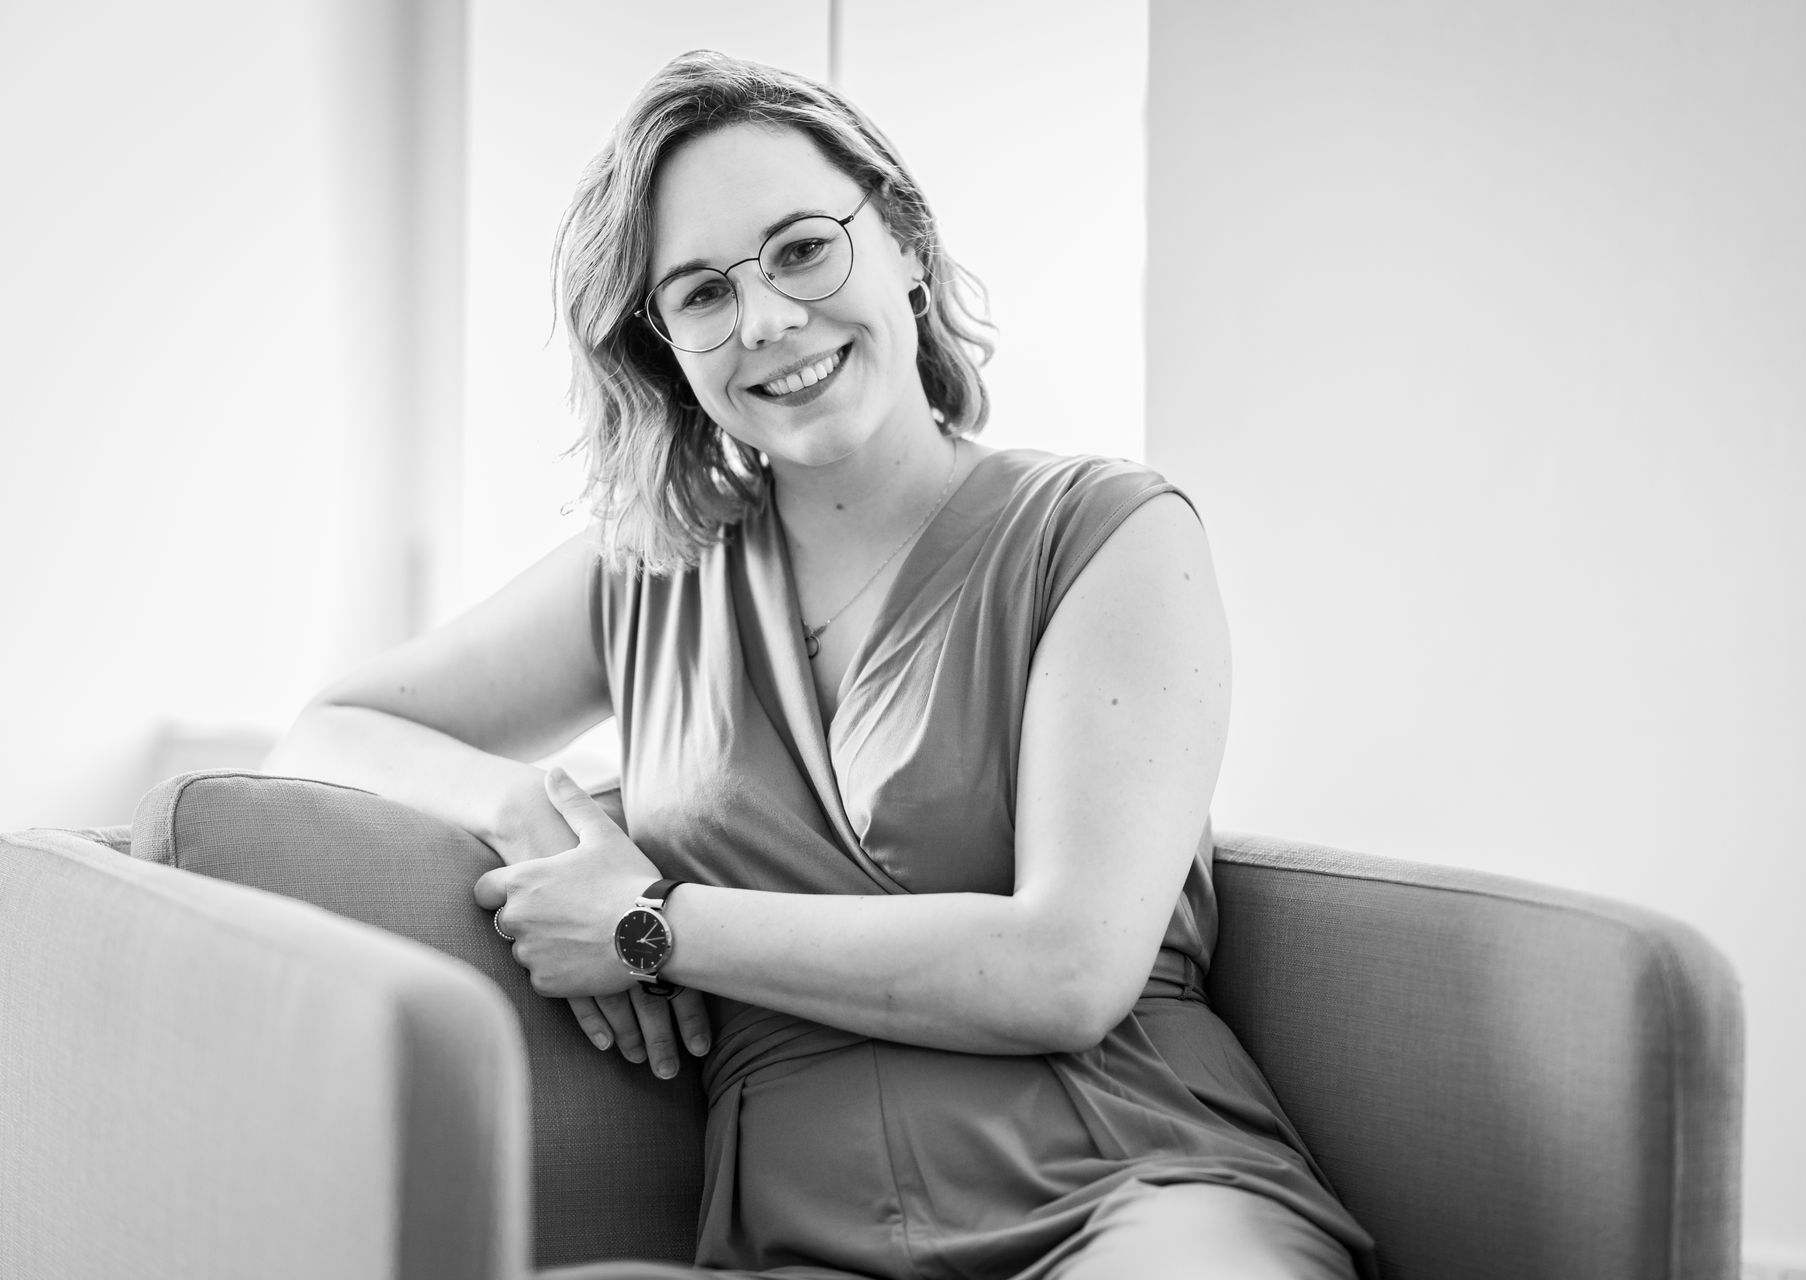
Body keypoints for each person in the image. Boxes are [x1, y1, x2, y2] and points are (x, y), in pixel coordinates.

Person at [266, 49, 1374, 1280]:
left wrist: (652, 926)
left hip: (1127, 1179)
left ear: (904, 241)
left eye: (801, 248)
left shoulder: (1106, 534)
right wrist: (524, 807)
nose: (767, 321)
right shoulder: (645, 574)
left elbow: (1069, 969)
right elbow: (328, 728)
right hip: (801, 1232)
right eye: (701, 292)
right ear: (665, 348)